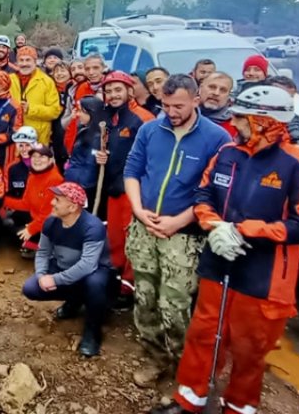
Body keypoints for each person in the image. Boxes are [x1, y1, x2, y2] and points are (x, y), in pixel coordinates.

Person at [150, 86, 299, 414]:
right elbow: (203, 194)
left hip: (264, 274)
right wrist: (214, 225)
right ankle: (190, 399)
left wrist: (243, 231)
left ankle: (238, 407)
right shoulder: (228, 153)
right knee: (202, 333)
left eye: (242, 118)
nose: (235, 123)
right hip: (218, 260)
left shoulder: (298, 165)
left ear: (265, 121)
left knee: (249, 348)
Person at [124, 74, 232, 385]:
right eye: (166, 105)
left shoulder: (216, 138)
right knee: (144, 296)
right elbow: (132, 170)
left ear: (196, 100)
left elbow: (213, 192)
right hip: (144, 226)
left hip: (183, 236)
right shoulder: (150, 129)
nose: (171, 112)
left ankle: (186, 369)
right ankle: (155, 358)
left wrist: (178, 221)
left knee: (175, 303)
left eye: (179, 106)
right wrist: (138, 210)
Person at [22, 182, 112, 357]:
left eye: (57, 200)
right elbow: (42, 253)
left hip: (93, 273)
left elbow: (87, 265)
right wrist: (41, 275)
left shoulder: (93, 227)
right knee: (31, 287)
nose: (52, 203)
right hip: (65, 267)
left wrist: (55, 280)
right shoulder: (51, 222)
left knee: (95, 284)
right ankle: (75, 300)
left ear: (72, 207)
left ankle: (92, 332)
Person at [91, 71, 153, 301]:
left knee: (131, 238)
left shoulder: (143, 118)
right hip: (112, 185)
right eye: (109, 91)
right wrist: (101, 156)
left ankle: (129, 287)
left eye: (118, 90)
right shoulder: (109, 117)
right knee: (115, 236)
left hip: (133, 188)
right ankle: (115, 278)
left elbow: (151, 155)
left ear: (129, 90)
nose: (113, 95)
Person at [4, 144, 63, 258]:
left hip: (50, 224)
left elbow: (49, 214)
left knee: (16, 231)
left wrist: (31, 228)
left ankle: (44, 248)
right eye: (34, 156)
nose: (37, 160)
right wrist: (2, 200)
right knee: (7, 222)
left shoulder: (55, 179)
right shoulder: (33, 176)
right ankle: (34, 244)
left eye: (42, 157)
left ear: (50, 160)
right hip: (36, 217)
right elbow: (26, 203)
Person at [9, 46, 62, 146]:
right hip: (14, 136)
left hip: (38, 138)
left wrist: (31, 109)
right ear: (17, 63)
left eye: (28, 60)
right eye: (21, 60)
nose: (24, 64)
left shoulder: (47, 82)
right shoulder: (9, 81)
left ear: (35, 61)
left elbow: (55, 111)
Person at [266, 75, 299, 145]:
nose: (287, 101)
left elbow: (295, 129)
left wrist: (298, 142)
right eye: (283, 96)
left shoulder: (292, 118)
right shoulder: (248, 112)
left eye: (290, 97)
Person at [198, 72, 237, 138]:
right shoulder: (185, 116)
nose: (216, 93)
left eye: (223, 90)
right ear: (200, 88)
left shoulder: (235, 128)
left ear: (229, 96)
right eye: (212, 87)